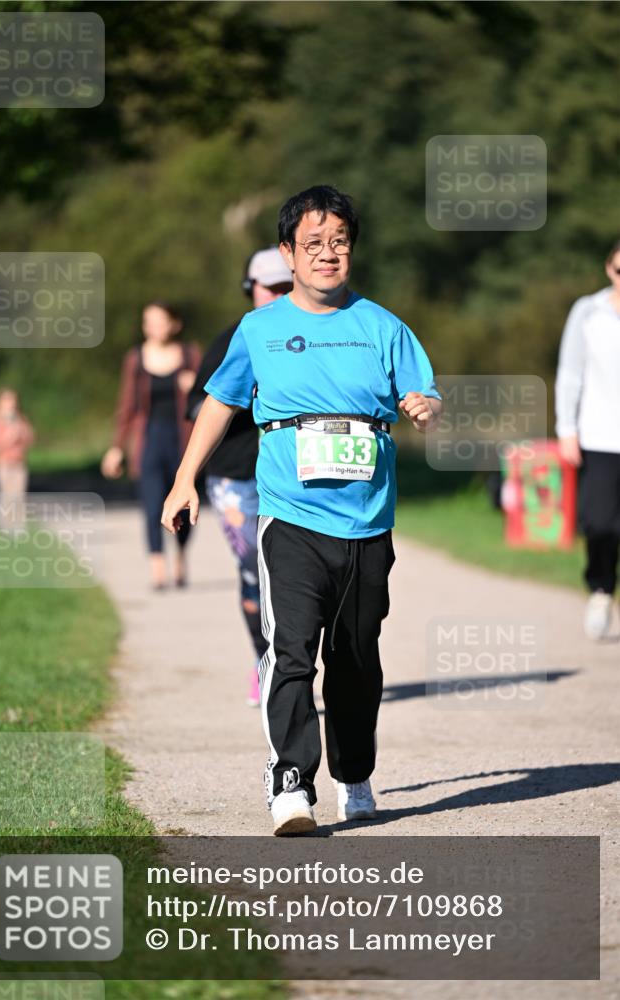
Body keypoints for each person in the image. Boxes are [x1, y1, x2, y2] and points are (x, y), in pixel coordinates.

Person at [161, 185, 441, 835]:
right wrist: (183, 481)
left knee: (355, 657)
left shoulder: (381, 326)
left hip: (367, 519)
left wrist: (425, 407)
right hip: (287, 517)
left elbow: (420, 392)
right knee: (291, 651)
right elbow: (219, 404)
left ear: (351, 249)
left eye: (338, 242)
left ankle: (354, 773)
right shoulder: (257, 330)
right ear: (287, 253)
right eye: (312, 244)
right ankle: (290, 779)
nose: (326, 254)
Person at [187, 248, 293, 706]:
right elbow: (198, 406)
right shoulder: (235, 339)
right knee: (254, 572)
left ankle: (293, 664)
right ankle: (263, 660)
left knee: (297, 576)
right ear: (251, 289)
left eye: (287, 286)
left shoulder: (308, 336)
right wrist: (246, 397)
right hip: (235, 477)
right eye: (271, 287)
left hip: (293, 477)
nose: (279, 296)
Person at [102, 301, 201, 590]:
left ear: (175, 324)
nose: (154, 327)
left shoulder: (190, 355)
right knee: (151, 504)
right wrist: (117, 447)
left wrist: (194, 385)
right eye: (149, 321)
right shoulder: (135, 359)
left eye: (160, 321)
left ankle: (181, 555)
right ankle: (158, 566)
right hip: (149, 443)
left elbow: (212, 398)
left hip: (183, 441)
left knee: (182, 503)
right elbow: (127, 406)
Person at [555, 238, 620, 640]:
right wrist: (567, 430)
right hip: (598, 434)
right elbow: (571, 373)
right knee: (599, 523)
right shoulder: (588, 312)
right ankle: (600, 588)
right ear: (609, 268)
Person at [0, 388, 34, 533]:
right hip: (3, 463)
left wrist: (21, 430)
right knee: (6, 494)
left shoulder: (20, 419)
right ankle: (5, 525)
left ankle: (18, 525)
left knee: (19, 494)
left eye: (12, 400)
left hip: (19, 462)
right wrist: (9, 436)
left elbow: (30, 438)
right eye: (7, 400)